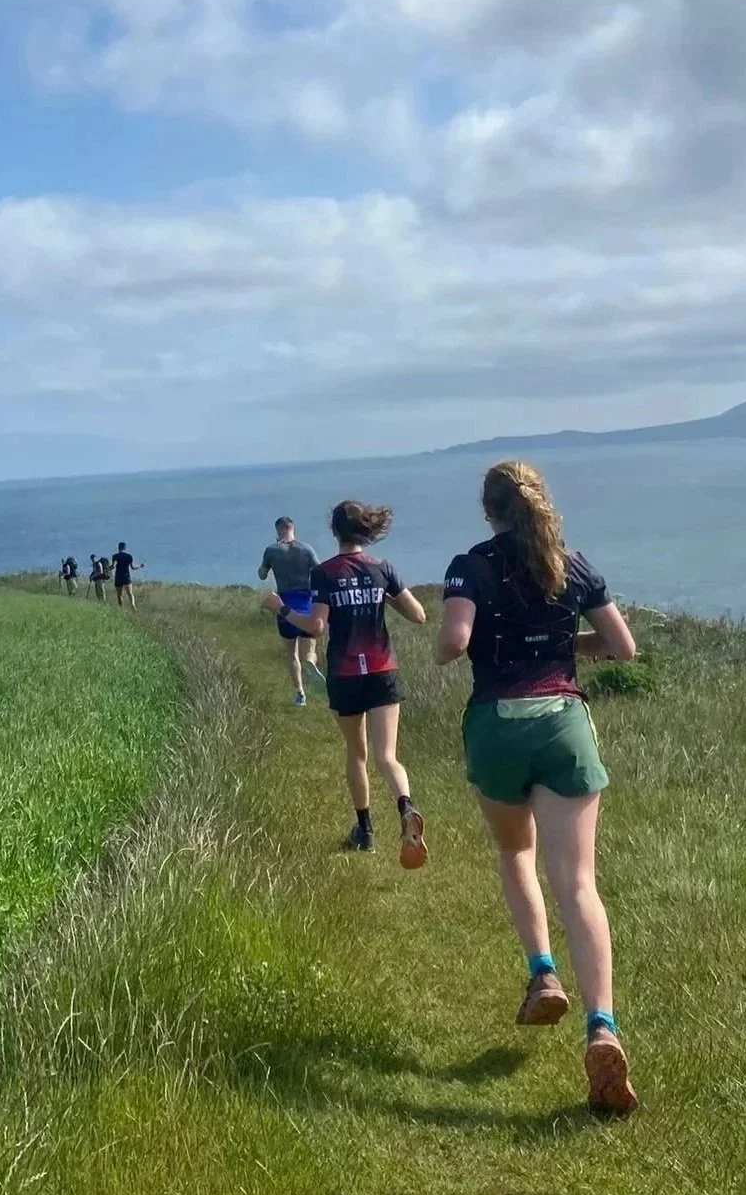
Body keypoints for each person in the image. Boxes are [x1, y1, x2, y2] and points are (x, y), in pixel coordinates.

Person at [435, 460, 640, 1117]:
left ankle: (540, 972)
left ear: (488, 510)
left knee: (514, 853)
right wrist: (556, 643)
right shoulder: (572, 563)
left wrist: (460, 643)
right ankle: (601, 1025)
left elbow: (452, 641)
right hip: (562, 722)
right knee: (578, 881)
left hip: (496, 723)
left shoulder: (470, 564)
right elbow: (621, 646)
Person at [262, 501, 427, 868]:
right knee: (388, 756)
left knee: (357, 753)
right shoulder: (382, 568)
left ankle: (365, 832)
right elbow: (419, 615)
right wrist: (381, 595)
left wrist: (281, 609)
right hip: (383, 671)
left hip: (347, 672)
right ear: (365, 530)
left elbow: (317, 627)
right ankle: (407, 807)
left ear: (335, 532)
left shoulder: (325, 572)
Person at [259, 517, 325, 706]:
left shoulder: (272, 550)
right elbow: (320, 572)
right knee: (310, 647)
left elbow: (262, 575)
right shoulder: (306, 549)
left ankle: (300, 693)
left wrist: (265, 567)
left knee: (291, 652)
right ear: (293, 530)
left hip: (284, 604)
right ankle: (310, 661)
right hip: (306, 603)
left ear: (278, 531)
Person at [111, 543, 144, 610]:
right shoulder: (129, 556)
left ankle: (121, 608)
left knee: (119, 594)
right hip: (126, 577)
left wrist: (107, 568)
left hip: (118, 577)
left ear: (118, 548)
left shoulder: (115, 556)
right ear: (125, 548)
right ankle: (133, 605)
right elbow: (133, 567)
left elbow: (113, 566)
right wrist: (140, 566)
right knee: (130, 593)